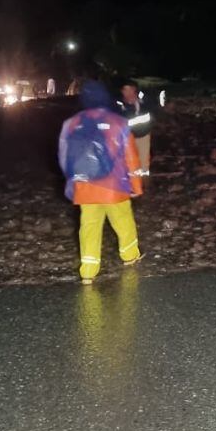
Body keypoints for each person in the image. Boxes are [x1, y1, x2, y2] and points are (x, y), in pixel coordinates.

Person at [58, 80, 145, 284]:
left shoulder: (70, 123)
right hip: (115, 187)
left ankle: (88, 271)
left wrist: (73, 182)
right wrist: (136, 186)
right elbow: (131, 158)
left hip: (85, 187)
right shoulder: (119, 122)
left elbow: (64, 158)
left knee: (89, 227)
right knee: (123, 222)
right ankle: (130, 255)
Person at [116, 78, 153, 177]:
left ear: (134, 89)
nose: (128, 93)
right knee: (130, 159)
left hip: (144, 134)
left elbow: (153, 108)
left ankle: (144, 178)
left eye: (130, 89)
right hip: (127, 137)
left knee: (143, 158)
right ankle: (133, 181)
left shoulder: (144, 100)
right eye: (125, 90)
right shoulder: (119, 104)